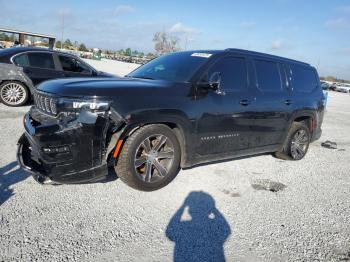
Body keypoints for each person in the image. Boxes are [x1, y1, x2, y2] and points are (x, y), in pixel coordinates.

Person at [166, 191, 231, 262]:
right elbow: (226, 230)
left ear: (189, 211)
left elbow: (170, 231)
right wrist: (214, 209)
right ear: (209, 211)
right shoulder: (213, 224)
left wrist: (183, 206)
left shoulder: (184, 226)